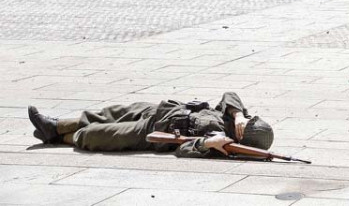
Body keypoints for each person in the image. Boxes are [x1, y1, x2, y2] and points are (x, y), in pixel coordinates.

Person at [26, 92, 274, 158]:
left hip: (154, 132)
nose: (246, 120)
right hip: (163, 110)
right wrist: (239, 115)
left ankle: (55, 137)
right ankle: (55, 125)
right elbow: (230, 94)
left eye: (248, 123)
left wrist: (208, 143)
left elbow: (183, 150)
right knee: (109, 113)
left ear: (245, 136)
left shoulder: (223, 144)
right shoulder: (232, 117)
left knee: (98, 134)